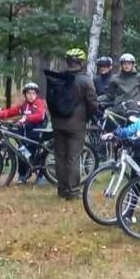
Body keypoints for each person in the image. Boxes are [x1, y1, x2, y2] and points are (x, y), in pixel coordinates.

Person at [48, 49, 99, 200]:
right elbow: (93, 104)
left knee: (60, 157)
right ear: (81, 63)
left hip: (58, 123)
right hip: (76, 124)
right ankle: (73, 191)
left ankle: (62, 189)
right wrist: (87, 117)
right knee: (73, 157)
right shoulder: (85, 80)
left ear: (67, 62)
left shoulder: (58, 78)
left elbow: (50, 100)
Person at [0, 81, 49, 183]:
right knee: (22, 154)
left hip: (37, 134)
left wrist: (26, 118)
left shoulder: (40, 104)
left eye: (33, 93)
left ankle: (41, 176)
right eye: (28, 93)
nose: (31, 96)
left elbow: (40, 115)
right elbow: (10, 111)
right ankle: (23, 175)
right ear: (25, 95)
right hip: (24, 134)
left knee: (37, 155)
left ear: (36, 94)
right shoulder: (24, 106)